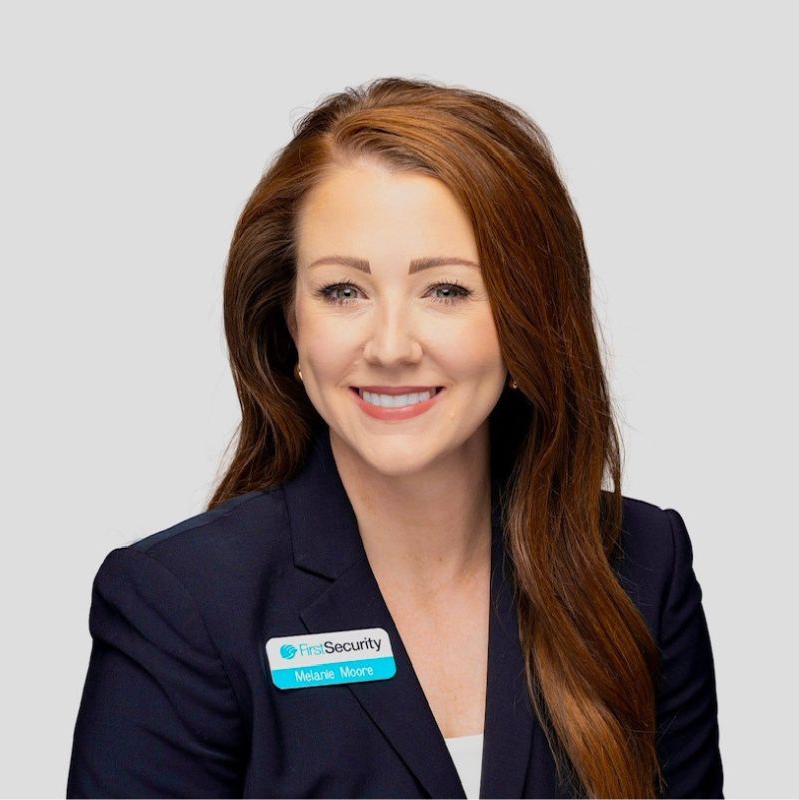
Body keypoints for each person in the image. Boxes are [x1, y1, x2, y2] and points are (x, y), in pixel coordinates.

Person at [66, 77, 723, 799]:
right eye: (343, 291)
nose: (389, 346)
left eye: (446, 290)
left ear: (528, 317)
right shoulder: (180, 603)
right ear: (291, 323)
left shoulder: (641, 569)